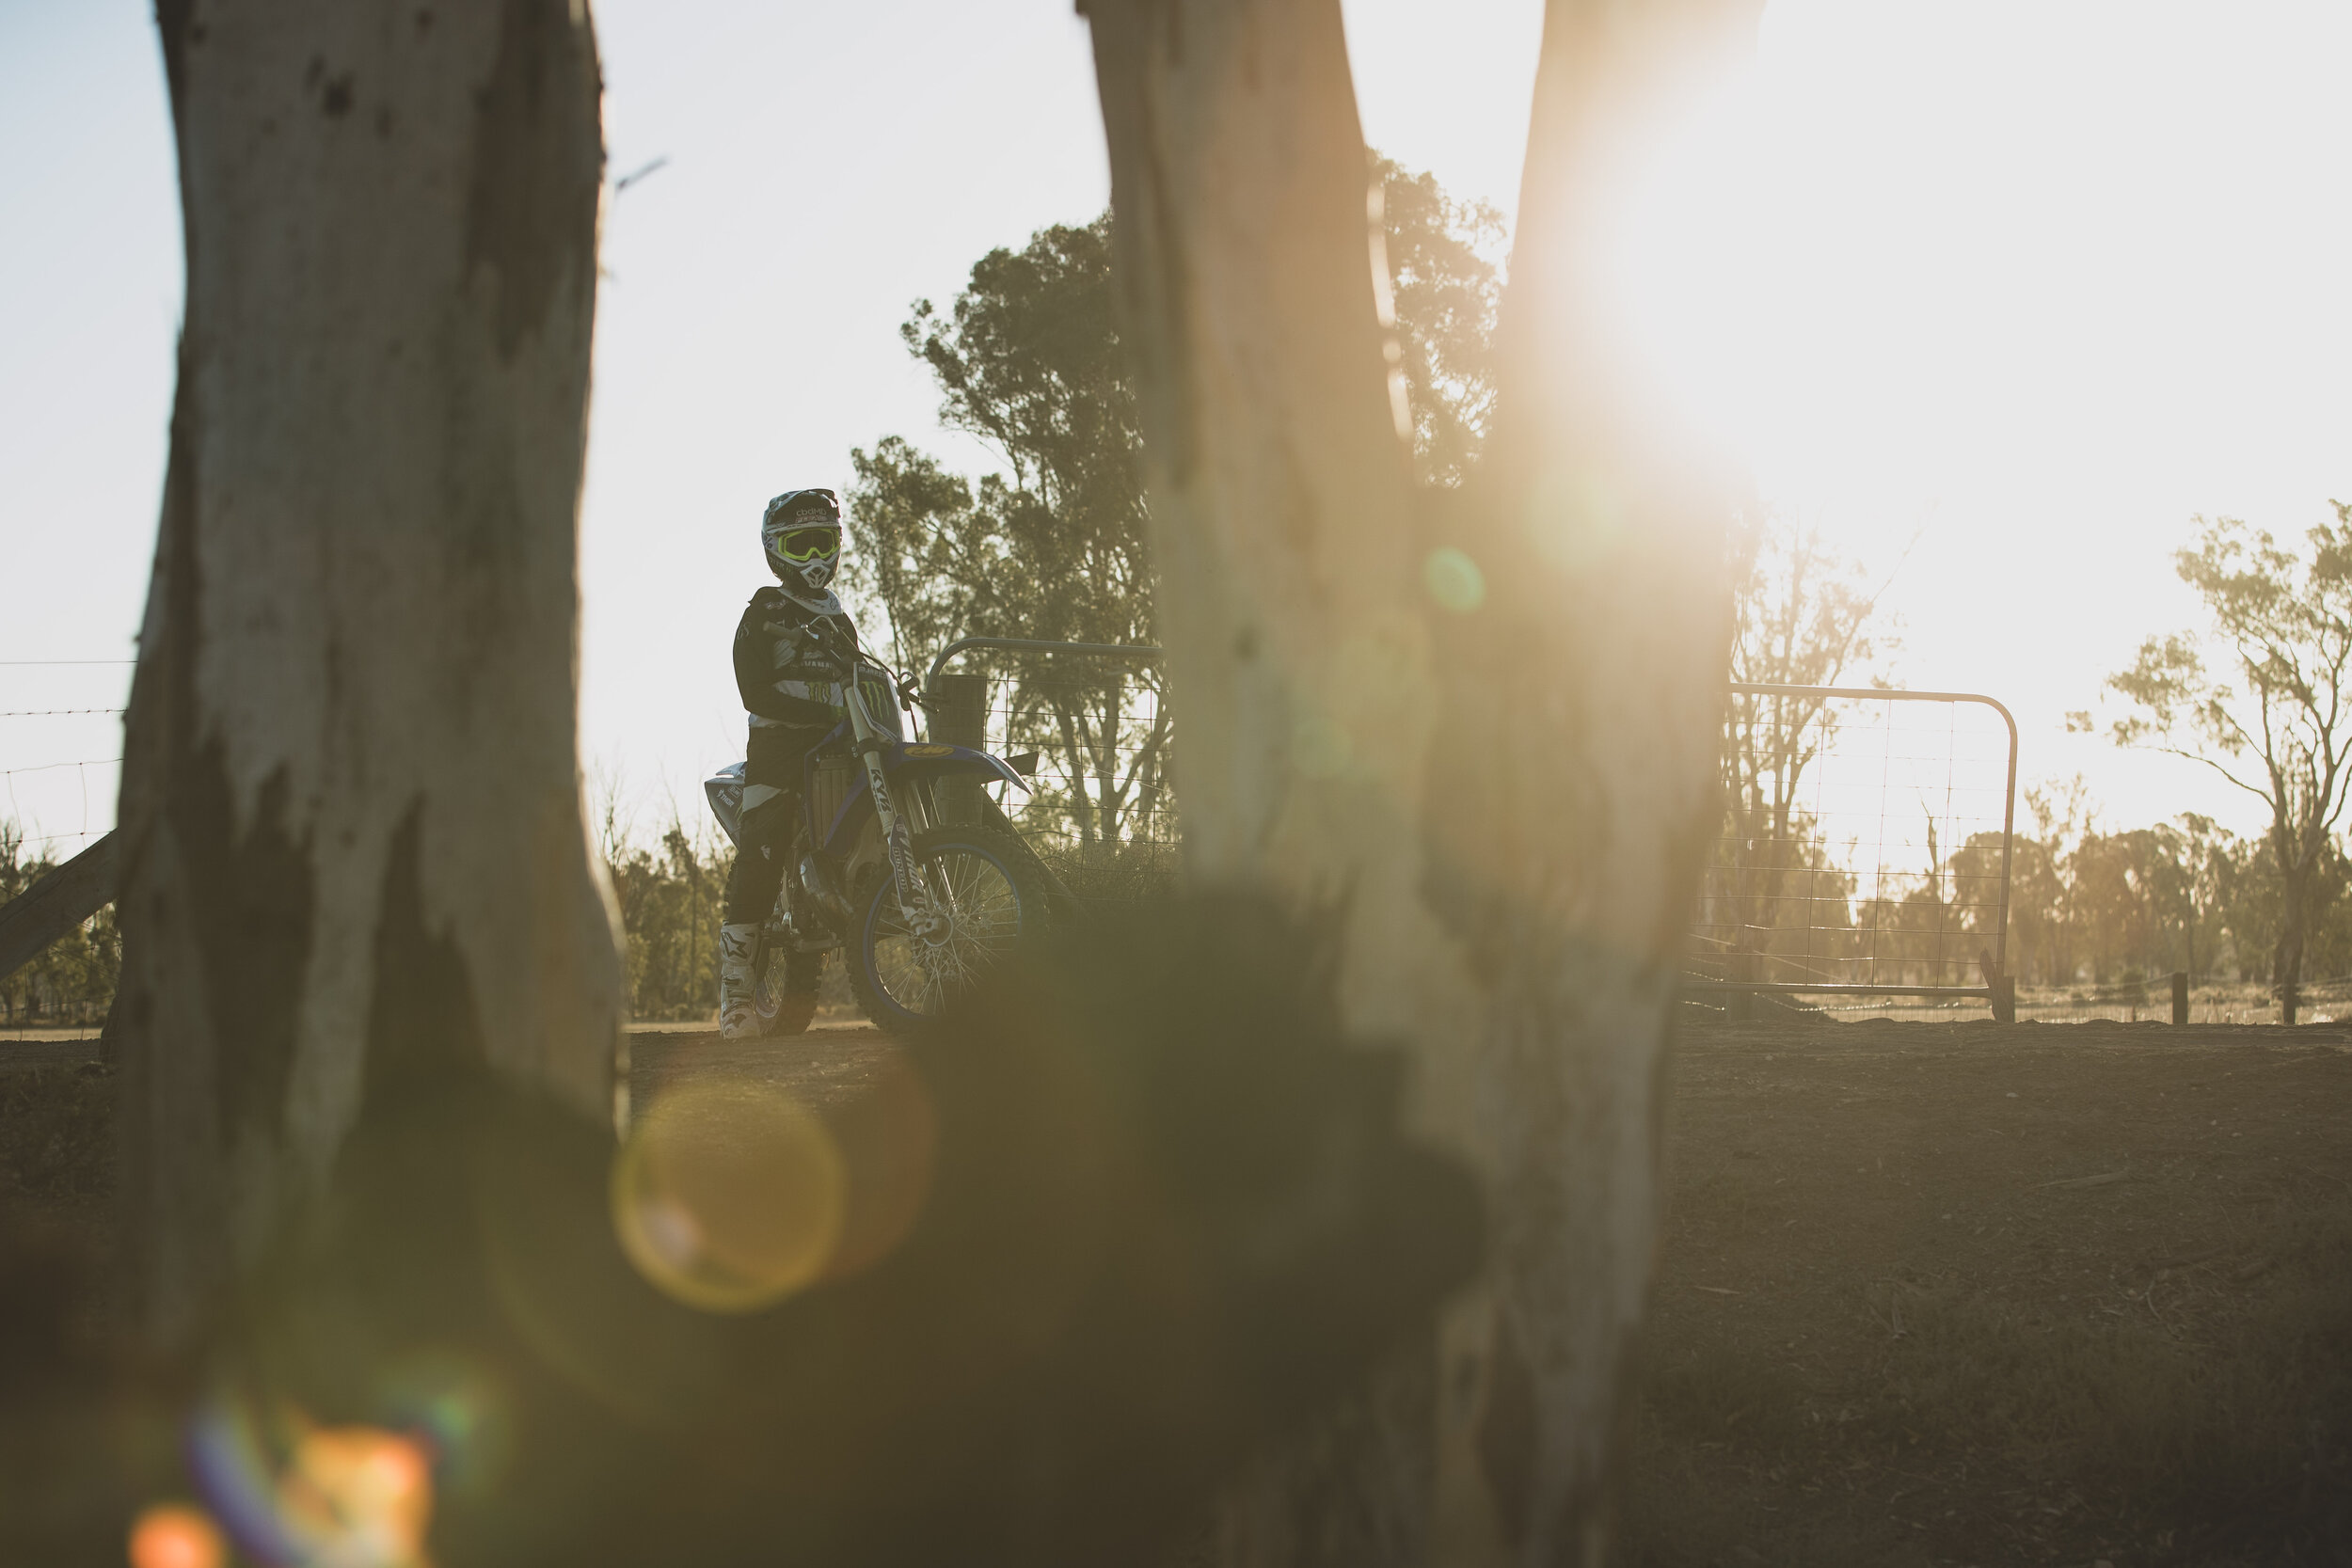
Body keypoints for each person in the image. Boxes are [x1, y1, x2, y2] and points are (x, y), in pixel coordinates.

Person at [718, 487, 860, 1039]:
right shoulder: (766, 608)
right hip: (778, 748)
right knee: (763, 847)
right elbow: (754, 691)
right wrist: (820, 712)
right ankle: (735, 993)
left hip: (840, 745)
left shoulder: (837, 616)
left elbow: (858, 673)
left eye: (823, 541)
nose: (815, 556)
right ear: (778, 551)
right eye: (801, 545)